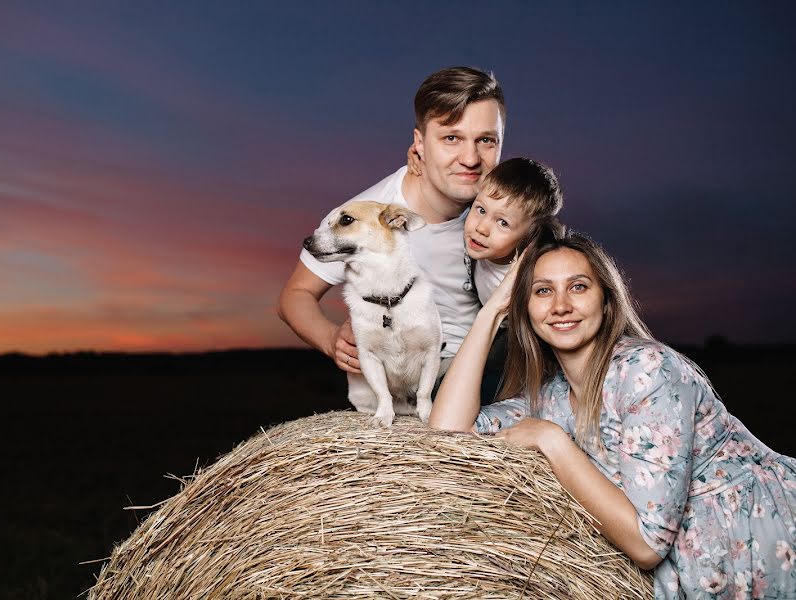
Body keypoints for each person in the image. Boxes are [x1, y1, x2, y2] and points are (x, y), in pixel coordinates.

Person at [429, 228, 796, 598]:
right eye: (542, 291)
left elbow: (647, 547)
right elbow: (447, 435)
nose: (560, 306)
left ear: (606, 299)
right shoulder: (551, 398)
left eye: (578, 287)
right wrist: (492, 313)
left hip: (763, 538)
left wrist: (551, 441)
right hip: (706, 560)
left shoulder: (647, 370)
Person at [278, 66, 505, 381]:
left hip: (496, 362)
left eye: (486, 141)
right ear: (420, 143)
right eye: (451, 138)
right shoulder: (363, 218)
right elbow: (295, 293)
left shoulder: (504, 202)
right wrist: (331, 340)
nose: (470, 158)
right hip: (432, 380)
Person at [463, 157, 563, 303]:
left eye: (503, 223)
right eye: (481, 210)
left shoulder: (525, 287)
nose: (481, 228)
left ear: (531, 236)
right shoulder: (467, 234)